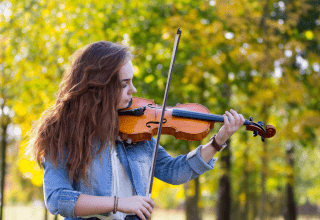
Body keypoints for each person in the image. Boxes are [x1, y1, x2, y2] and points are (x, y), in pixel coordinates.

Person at [28, 41, 245, 220]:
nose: (133, 90)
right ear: (100, 85)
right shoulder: (63, 132)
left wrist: (218, 141)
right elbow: (57, 199)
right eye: (124, 84)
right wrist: (118, 204)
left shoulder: (136, 130)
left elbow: (172, 170)